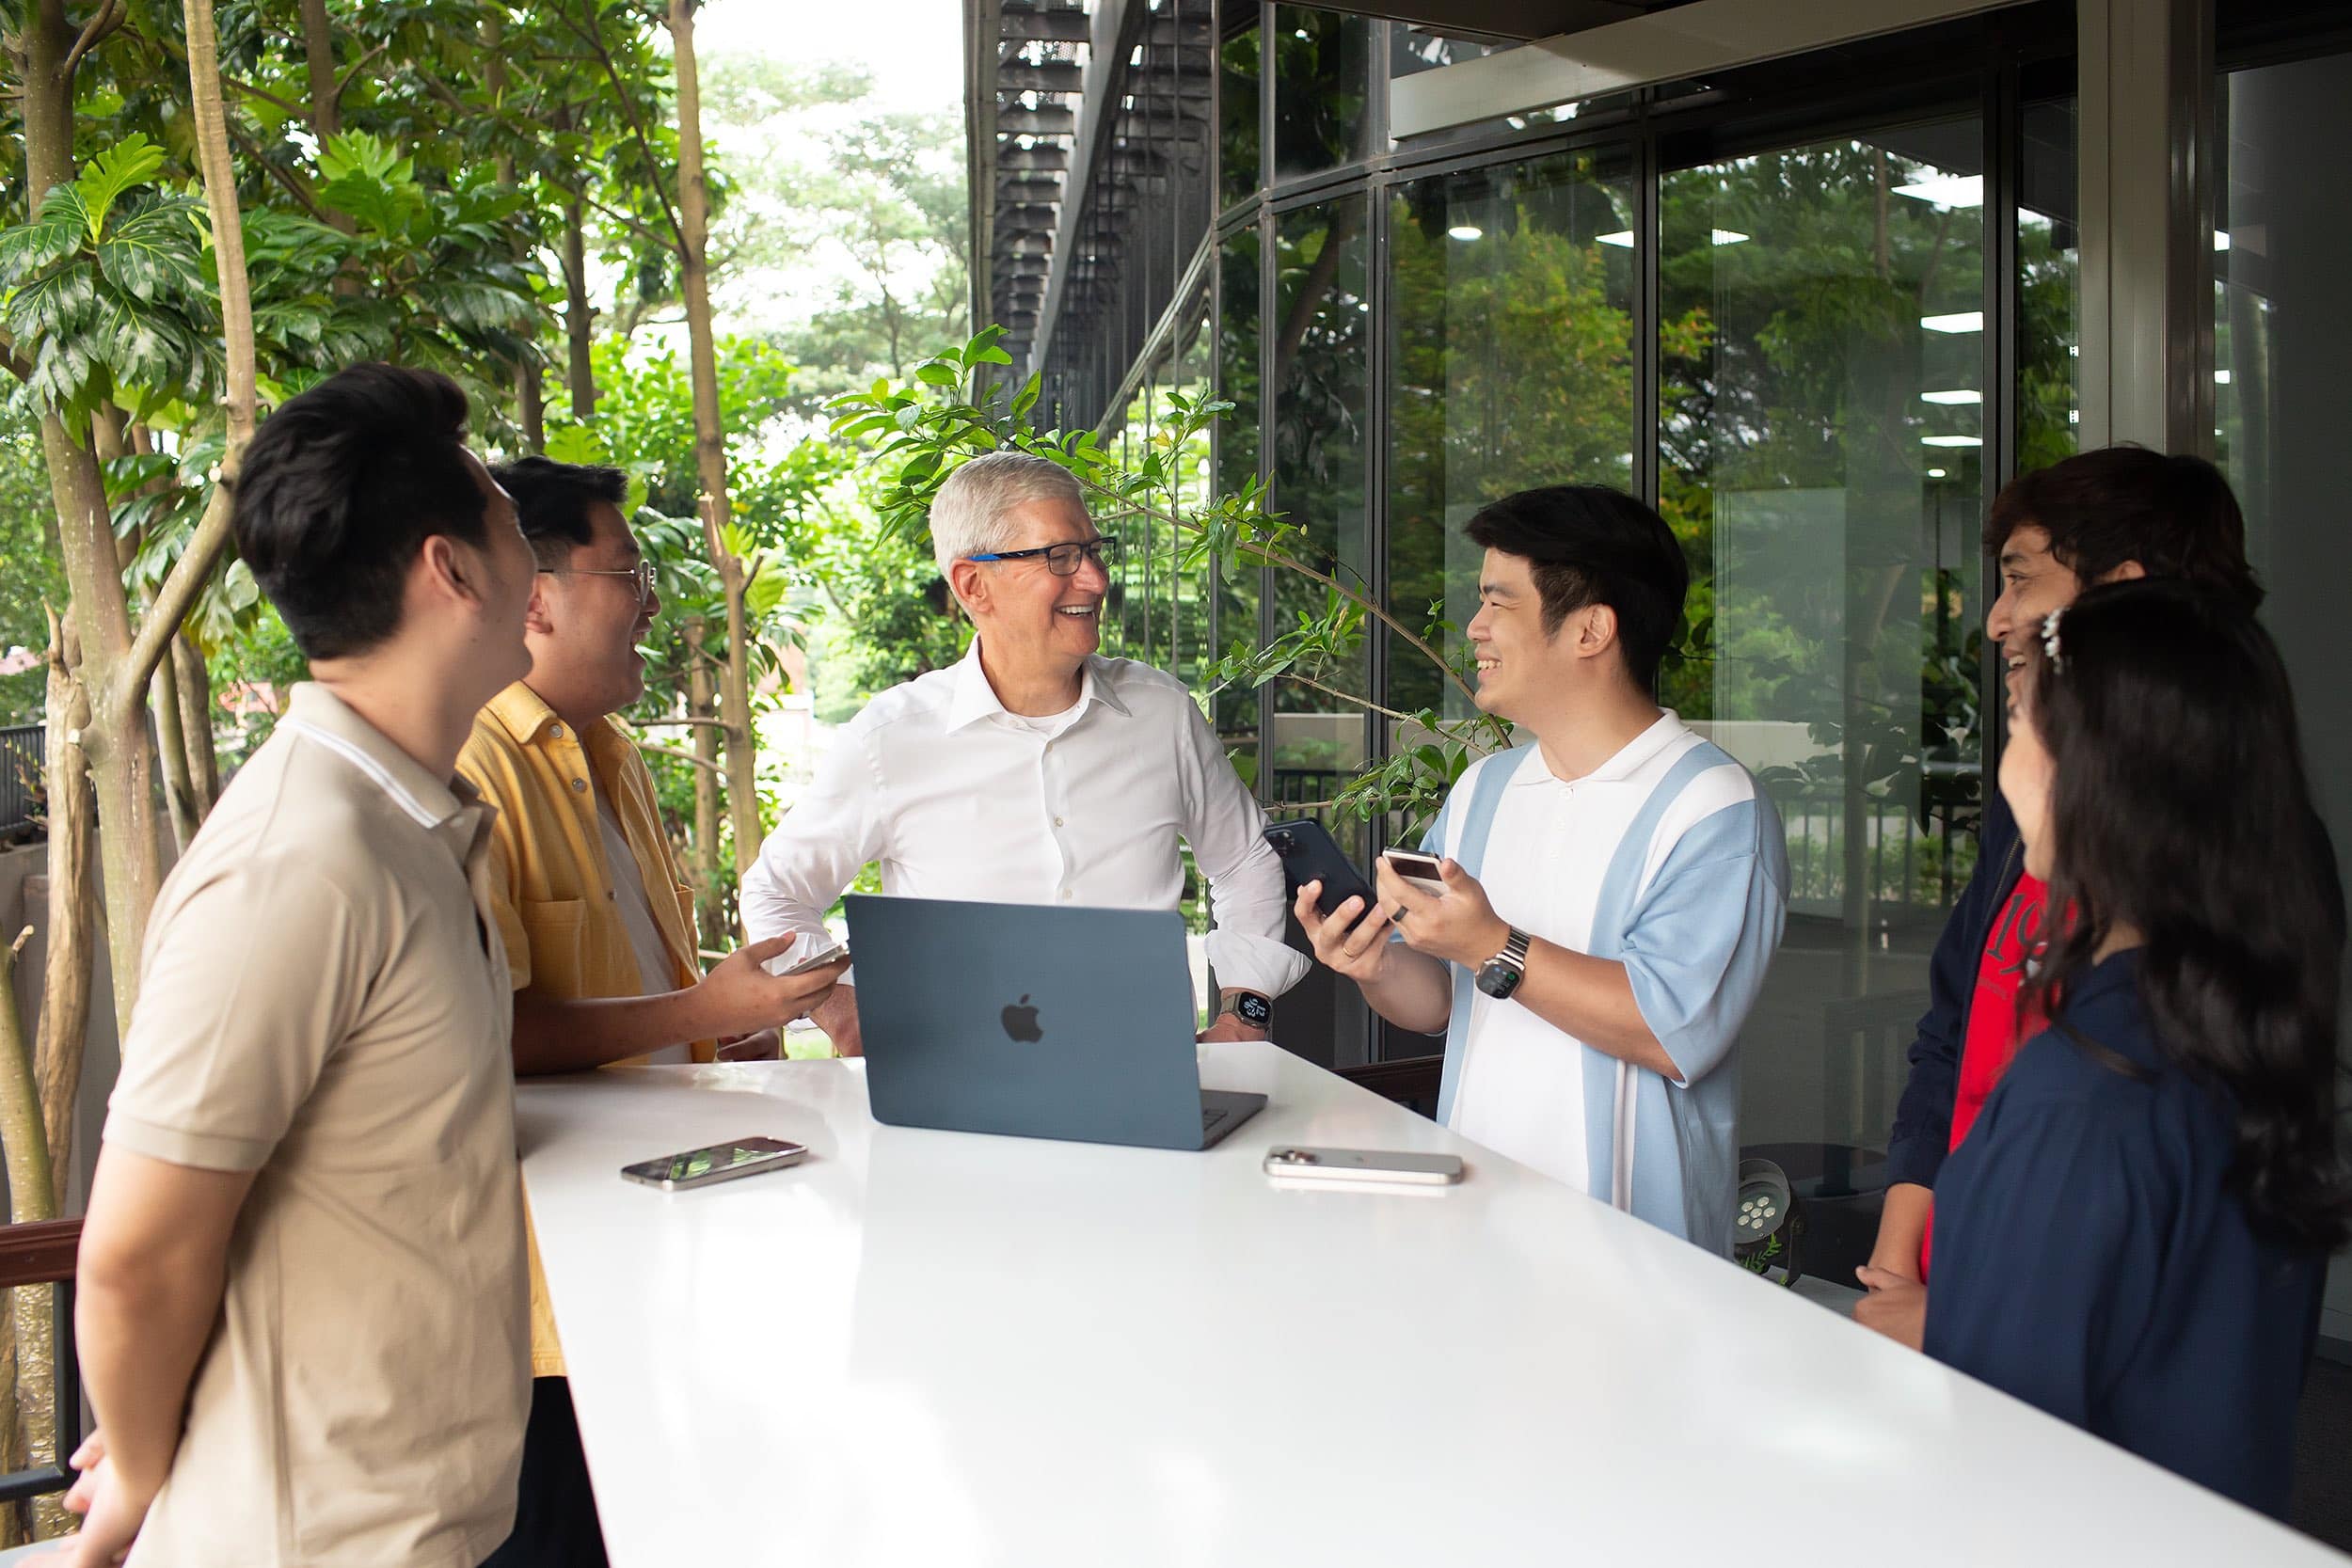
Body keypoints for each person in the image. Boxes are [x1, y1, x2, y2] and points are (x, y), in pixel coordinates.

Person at [68, 365, 537, 1566]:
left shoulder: (404, 820)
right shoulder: (300, 859)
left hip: (417, 1516)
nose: (532, 561)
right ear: (453, 569)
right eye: (509, 518)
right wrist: (135, 1467)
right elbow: (136, 1250)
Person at [1886, 580, 2346, 1515]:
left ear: (2084, 772)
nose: (2006, 764)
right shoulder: (2235, 1033)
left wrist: (1941, 1331)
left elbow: (2004, 1452)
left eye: (2017, 722)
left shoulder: (2084, 1096)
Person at [462, 457, 848, 1568]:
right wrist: (696, 1002)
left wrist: (728, 1020)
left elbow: (636, 992)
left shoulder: (613, 753)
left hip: (653, 1252)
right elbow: (494, 1030)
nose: (648, 600)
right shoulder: (470, 765)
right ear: (532, 594)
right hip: (538, 1296)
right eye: (625, 570)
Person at [1294, 484, 1787, 1254]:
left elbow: (1671, 1027)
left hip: (1632, 1250)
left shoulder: (1713, 806)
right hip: (1477, 1221)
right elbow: (1438, 1003)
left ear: (1591, 628)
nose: (1475, 627)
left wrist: (1495, 944)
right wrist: (1370, 964)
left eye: (1499, 602)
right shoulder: (1484, 789)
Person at [1857, 447, 2267, 1338]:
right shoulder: (2034, 833)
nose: (1998, 619)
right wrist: (1901, 1257)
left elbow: (2147, 1266)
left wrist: (1957, 1320)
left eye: (2020, 582)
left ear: (2121, 592)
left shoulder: (2225, 908)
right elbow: (1956, 1021)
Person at [739, 451, 1306, 1051]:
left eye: (1093, 550)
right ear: (973, 584)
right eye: (1060, 556)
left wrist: (1245, 1015)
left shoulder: (1162, 712)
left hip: (1146, 1091)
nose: (1094, 578)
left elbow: (1245, 861)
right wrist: (843, 1007)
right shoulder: (889, 739)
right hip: (951, 1103)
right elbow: (775, 892)